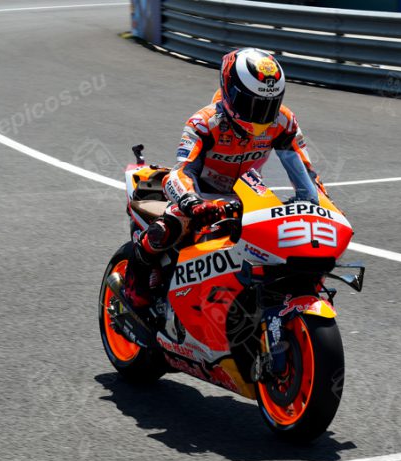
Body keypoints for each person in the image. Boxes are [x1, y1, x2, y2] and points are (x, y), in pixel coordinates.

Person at [122, 48, 327, 312]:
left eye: (269, 105)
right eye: (252, 104)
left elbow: (305, 173)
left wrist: (321, 203)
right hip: (203, 197)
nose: (261, 114)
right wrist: (191, 201)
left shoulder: (284, 121)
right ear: (230, 92)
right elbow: (181, 172)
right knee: (174, 221)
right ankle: (136, 280)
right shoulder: (205, 122)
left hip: (249, 198)